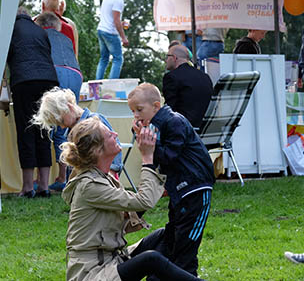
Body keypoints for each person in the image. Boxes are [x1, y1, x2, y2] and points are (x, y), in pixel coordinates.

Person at [60, 116, 202, 281]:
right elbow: (144, 201)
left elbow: (127, 218)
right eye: (109, 135)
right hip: (91, 273)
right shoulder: (90, 185)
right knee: (151, 259)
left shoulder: (103, 178)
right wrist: (147, 158)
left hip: (112, 259)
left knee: (165, 235)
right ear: (97, 150)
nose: (116, 134)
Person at [128, 83, 215, 277]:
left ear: (156, 106)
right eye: (133, 111)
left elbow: (169, 156)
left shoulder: (174, 121)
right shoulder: (157, 125)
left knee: (187, 245)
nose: (136, 115)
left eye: (139, 109)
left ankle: (185, 274)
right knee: (175, 236)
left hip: (195, 189)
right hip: (180, 192)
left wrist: (148, 148)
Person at [7, 7, 59, 198]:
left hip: (24, 81)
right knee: (44, 130)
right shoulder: (40, 30)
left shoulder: (10, 30)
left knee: (26, 130)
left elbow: (6, 57)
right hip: (48, 80)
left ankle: (28, 187)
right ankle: (44, 185)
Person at [35, 12, 82, 191]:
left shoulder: (41, 35)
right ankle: (69, 174)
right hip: (76, 73)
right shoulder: (66, 38)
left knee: (53, 124)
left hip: (55, 71)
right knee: (71, 122)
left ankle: (55, 178)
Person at [32, 87, 123, 177]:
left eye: (62, 121)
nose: (62, 126)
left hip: (103, 176)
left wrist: (111, 170)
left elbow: (115, 146)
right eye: (58, 124)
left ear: (69, 107)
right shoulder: (70, 133)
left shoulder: (95, 122)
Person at [163, 44, 213, 128]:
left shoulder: (172, 77)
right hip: (204, 129)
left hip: (182, 130)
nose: (166, 60)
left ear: (174, 58)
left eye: (167, 56)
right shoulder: (205, 77)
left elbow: (169, 109)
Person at [95, 0, 128, 80]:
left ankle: (97, 84)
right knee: (118, 59)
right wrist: (123, 38)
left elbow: (110, 17)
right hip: (110, 32)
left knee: (104, 59)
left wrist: (121, 24)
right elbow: (116, 20)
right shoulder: (118, 0)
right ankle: (112, 84)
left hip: (101, 29)